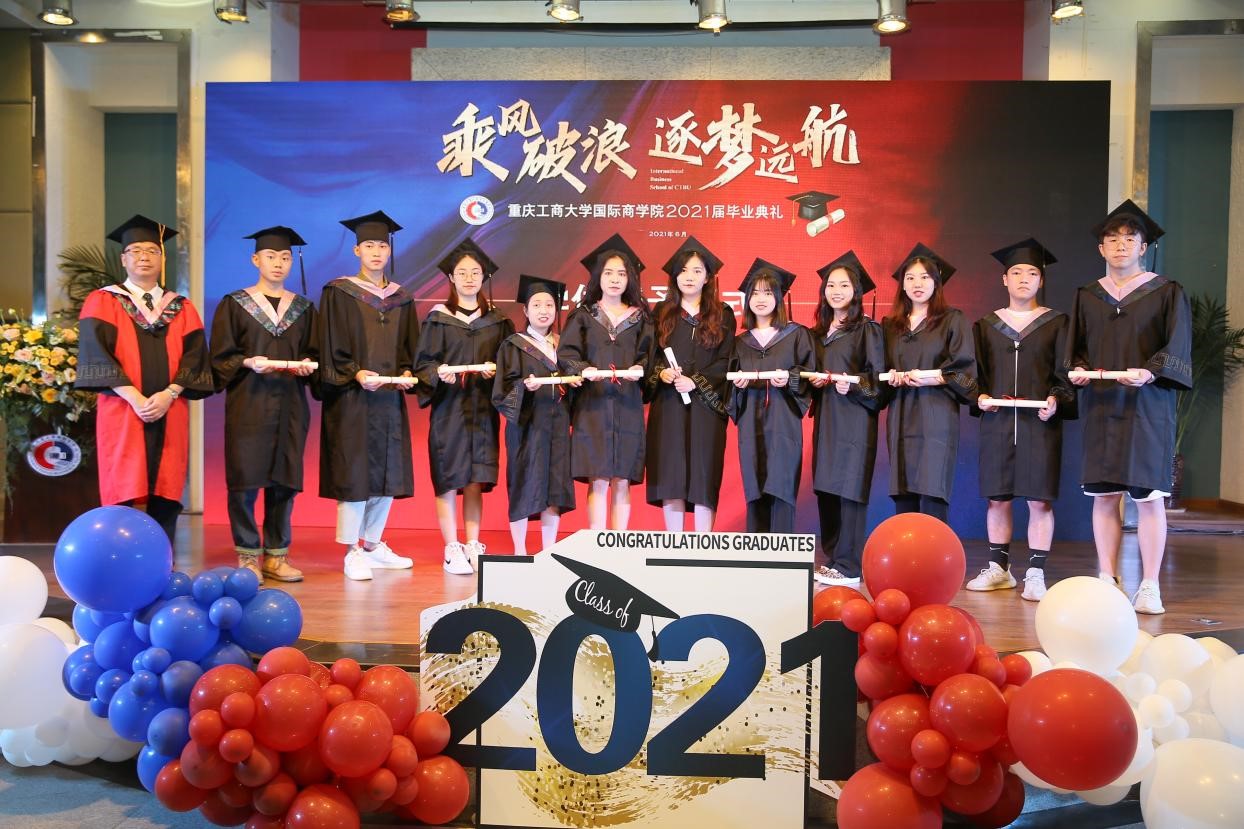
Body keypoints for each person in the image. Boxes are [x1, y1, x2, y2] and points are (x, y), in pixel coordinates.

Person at [1067, 200, 1192, 615]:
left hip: (1147, 405)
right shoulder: (1088, 296)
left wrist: (1151, 373)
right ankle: (1107, 578)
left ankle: (1150, 585)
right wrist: (1078, 370)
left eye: (1129, 238)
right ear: (1101, 249)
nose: (1121, 245)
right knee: (1104, 496)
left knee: (1148, 497)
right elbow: (1075, 348)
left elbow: (1176, 346)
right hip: (1103, 403)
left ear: (1144, 247)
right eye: (1113, 239)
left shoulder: (1166, 291)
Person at [76, 214, 213, 546]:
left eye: (152, 250)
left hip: (170, 409)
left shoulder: (181, 307)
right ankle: (118, 560)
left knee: (166, 489)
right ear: (123, 259)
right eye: (135, 251)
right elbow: (96, 354)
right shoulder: (103, 301)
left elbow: (195, 356)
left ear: (162, 259)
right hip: (123, 409)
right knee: (121, 486)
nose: (143, 257)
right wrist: (134, 397)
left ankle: (162, 562)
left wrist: (170, 393)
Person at [966, 238, 1076, 601]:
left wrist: (1056, 400)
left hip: (1040, 423)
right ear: (1004, 279)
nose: (1024, 279)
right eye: (1016, 272)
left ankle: (1035, 573)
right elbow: (975, 373)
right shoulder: (986, 325)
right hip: (998, 423)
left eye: (1031, 273)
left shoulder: (1057, 323)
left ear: (1041, 280)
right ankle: (999, 569)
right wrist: (979, 396)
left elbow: (1065, 373)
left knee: (1039, 501)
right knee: (997, 499)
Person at [209, 226, 319, 583]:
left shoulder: (303, 308)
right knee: (244, 481)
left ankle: (276, 555)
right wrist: (246, 361)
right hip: (249, 403)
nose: (278, 263)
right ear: (256, 259)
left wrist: (307, 365)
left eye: (285, 257)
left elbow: (314, 353)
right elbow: (220, 356)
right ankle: (248, 555)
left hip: (290, 404)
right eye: (271, 256)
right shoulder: (235, 304)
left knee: (284, 481)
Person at [318, 210, 419, 581]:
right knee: (355, 471)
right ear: (357, 250)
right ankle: (352, 550)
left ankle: (373, 545)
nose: (377, 252)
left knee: (388, 470)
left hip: (388, 399)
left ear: (389, 251)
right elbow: (329, 344)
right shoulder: (339, 292)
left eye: (382, 246)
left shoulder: (401, 298)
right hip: (352, 398)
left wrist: (407, 373)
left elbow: (411, 347)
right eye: (370, 246)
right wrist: (354, 373)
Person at [415, 238, 514, 574]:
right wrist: (437, 373)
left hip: (482, 409)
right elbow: (423, 364)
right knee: (448, 477)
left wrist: (496, 371)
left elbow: (509, 364)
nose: (469, 278)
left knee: (475, 478)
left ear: (484, 276)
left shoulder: (497, 320)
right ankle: (451, 547)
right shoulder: (438, 319)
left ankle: (473, 543)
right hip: (450, 408)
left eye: (475, 272)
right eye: (462, 273)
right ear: (451, 278)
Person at [557, 233, 653, 530]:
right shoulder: (583, 315)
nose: (615, 280)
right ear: (598, 277)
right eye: (609, 273)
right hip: (593, 404)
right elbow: (567, 353)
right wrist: (583, 369)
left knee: (622, 477)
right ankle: (596, 540)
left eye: (621, 274)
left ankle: (618, 543)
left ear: (630, 279)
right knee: (597, 477)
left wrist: (640, 368)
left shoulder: (641, 318)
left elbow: (649, 356)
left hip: (627, 404)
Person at [645, 237, 736, 532]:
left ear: (708, 277)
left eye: (697, 271)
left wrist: (695, 381)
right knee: (670, 472)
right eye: (683, 270)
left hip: (706, 406)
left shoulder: (723, 314)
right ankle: (674, 544)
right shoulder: (661, 313)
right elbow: (649, 357)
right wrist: (662, 373)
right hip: (668, 404)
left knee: (703, 473)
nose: (689, 276)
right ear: (674, 276)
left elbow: (727, 361)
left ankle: (703, 546)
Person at [882, 244, 978, 522]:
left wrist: (926, 378)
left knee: (932, 488)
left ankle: (934, 550)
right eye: (910, 277)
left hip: (936, 415)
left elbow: (965, 373)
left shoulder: (952, 320)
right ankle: (906, 549)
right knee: (904, 491)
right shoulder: (890, 326)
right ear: (902, 284)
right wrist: (891, 377)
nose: (917, 284)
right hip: (901, 414)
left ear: (937, 282)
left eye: (925, 277)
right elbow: (880, 372)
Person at [807, 251, 886, 585]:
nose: (836, 291)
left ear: (856, 291)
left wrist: (852, 385)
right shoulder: (817, 332)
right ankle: (833, 558)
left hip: (855, 419)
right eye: (831, 285)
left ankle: (850, 565)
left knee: (849, 489)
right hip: (827, 418)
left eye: (844, 285)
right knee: (827, 487)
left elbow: (878, 380)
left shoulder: (868, 329)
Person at [727, 259, 814, 533]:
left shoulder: (797, 335)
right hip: (751, 423)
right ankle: (756, 552)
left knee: (781, 482)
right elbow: (729, 388)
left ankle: (782, 550)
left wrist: (790, 378)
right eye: (755, 293)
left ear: (779, 297)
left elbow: (810, 374)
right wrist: (738, 385)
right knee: (755, 483)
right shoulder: (740, 342)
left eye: (767, 292)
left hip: (783, 421)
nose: (761, 299)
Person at [492, 275, 575, 554]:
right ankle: (520, 550)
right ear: (525, 311)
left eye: (549, 305)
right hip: (526, 427)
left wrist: (573, 384)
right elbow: (502, 389)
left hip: (558, 425)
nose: (544, 310)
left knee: (554, 487)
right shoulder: (513, 345)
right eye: (537, 305)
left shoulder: (564, 346)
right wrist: (524, 387)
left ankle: (548, 550)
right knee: (523, 483)